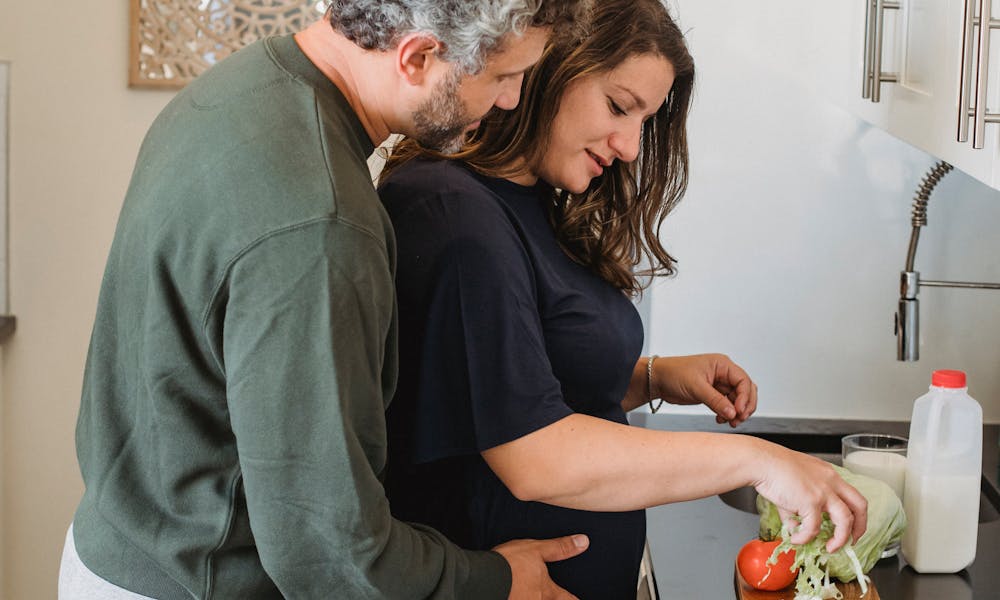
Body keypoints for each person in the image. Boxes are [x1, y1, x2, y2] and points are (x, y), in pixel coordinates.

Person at [59, 2, 594, 599]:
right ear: (417, 57)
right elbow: (329, 550)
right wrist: (492, 581)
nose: (513, 101)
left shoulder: (244, 80)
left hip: (120, 547)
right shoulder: (322, 225)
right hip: (195, 585)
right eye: (502, 77)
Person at [377, 0, 869, 597]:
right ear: (547, 67)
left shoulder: (526, 202)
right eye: (618, 106)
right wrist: (757, 460)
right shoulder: (453, 213)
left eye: (644, 121)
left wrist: (651, 378)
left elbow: (501, 383)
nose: (632, 146)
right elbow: (536, 458)